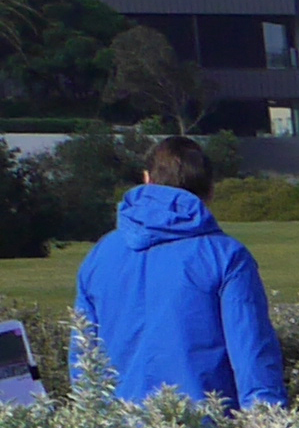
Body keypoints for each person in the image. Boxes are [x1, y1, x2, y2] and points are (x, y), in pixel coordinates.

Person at [72, 139, 287, 409]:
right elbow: (252, 355)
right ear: (210, 189)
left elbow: (83, 358)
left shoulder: (101, 254)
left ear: (147, 179)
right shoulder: (226, 256)